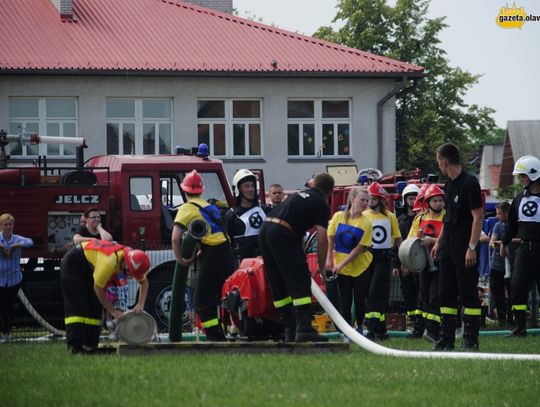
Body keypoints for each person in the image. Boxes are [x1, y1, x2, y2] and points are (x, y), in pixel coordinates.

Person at [259, 172, 335, 342]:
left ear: (313, 185)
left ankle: (290, 329)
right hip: (281, 233)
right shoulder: (321, 204)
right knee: (300, 280)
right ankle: (304, 329)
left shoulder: (297, 196)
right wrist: (322, 268)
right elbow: (322, 240)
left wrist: (299, 255)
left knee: (278, 282)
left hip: (266, 231)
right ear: (329, 192)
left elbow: (296, 230)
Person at [432, 143, 484, 350]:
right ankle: (446, 339)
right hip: (448, 245)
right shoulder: (448, 184)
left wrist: (471, 247)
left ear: (444, 162)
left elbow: (478, 216)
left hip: (464, 244)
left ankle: (471, 339)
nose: (439, 167)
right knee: (445, 292)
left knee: (467, 292)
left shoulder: (470, 183)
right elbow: (448, 218)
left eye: (439, 163)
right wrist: (438, 241)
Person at [172, 169, 234, 341]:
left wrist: (180, 259)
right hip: (225, 252)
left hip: (214, 254)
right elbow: (214, 231)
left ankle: (216, 339)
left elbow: (176, 238)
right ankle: (223, 334)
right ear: (201, 190)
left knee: (201, 301)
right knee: (215, 298)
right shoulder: (209, 206)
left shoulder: (187, 208)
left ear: (184, 191)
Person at [60, 239, 150, 353]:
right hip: (74, 263)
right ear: (125, 262)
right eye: (128, 273)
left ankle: (91, 345)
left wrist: (140, 304)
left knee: (95, 306)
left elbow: (144, 282)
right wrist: (113, 311)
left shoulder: (133, 261)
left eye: (133, 275)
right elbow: (98, 288)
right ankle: (74, 347)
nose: (130, 276)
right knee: (77, 307)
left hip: (90, 265)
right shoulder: (109, 262)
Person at [501, 155, 540, 337]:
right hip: (524, 249)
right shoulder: (519, 198)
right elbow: (512, 225)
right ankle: (519, 327)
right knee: (517, 287)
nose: (521, 179)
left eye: (523, 176)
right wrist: (504, 242)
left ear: (534, 174)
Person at [326, 186, 373, 336]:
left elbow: (359, 248)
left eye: (367, 200)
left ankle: (360, 327)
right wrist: (329, 259)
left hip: (360, 266)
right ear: (352, 199)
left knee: (359, 299)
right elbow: (331, 238)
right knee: (344, 300)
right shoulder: (338, 216)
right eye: (362, 200)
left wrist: (341, 264)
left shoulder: (366, 221)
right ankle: (346, 332)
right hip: (341, 267)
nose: (365, 203)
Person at [363, 182, 402, 340]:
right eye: (368, 199)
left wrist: (402, 260)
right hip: (366, 257)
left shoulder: (390, 217)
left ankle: (376, 328)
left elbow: (398, 239)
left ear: (380, 199)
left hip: (383, 258)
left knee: (375, 292)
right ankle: (375, 328)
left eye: (372, 199)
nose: (369, 202)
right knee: (368, 293)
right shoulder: (363, 216)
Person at [409, 184, 445, 343]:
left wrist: (433, 241)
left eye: (440, 200)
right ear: (427, 202)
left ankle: (433, 331)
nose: (438, 203)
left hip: (441, 263)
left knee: (434, 297)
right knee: (424, 295)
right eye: (435, 201)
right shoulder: (420, 219)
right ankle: (428, 329)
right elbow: (411, 240)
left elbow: (450, 240)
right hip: (424, 263)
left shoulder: (447, 217)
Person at [393, 184, 424, 338]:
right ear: (405, 200)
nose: (412, 201)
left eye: (415, 198)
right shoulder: (401, 220)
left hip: (420, 262)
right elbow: (396, 243)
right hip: (404, 263)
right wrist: (397, 264)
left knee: (421, 293)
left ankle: (420, 324)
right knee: (408, 294)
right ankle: (413, 321)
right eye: (410, 198)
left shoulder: (422, 218)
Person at [0, 213, 33, 339]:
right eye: (5, 224)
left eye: (10, 224)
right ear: (1, 226)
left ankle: (7, 332)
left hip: (14, 279)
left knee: (10, 307)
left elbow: (30, 242)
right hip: (0, 280)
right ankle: (2, 331)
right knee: (1, 307)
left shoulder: (17, 238)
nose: (8, 227)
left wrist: (17, 245)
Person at [226, 169, 267, 260]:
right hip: (243, 264)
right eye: (246, 186)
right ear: (238, 189)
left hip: (264, 261)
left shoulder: (264, 210)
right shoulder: (232, 215)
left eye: (252, 186)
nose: (251, 189)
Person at [488, 202, 517, 327]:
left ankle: (512, 319)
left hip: (513, 263)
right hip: (497, 265)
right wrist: (497, 243)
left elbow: (522, 239)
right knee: (497, 293)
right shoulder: (497, 226)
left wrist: (505, 242)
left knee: (513, 292)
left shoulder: (516, 226)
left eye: (499, 213)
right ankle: (501, 319)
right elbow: (491, 242)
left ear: (507, 213)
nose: (497, 216)